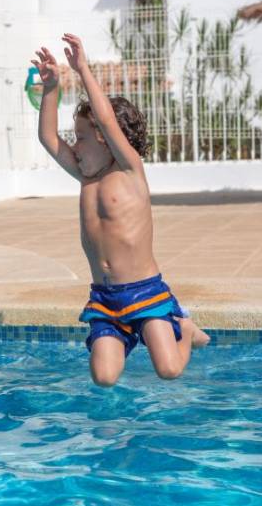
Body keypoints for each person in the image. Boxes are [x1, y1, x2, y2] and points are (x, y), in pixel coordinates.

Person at [32, 33, 210, 387]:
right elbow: (48, 139)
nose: (74, 145)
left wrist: (82, 69)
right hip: (105, 298)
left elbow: (106, 119)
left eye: (81, 137)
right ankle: (131, 336)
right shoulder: (85, 176)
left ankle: (186, 329)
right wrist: (51, 89)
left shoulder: (129, 170)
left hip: (145, 291)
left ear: (104, 138)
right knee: (104, 377)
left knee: (169, 370)